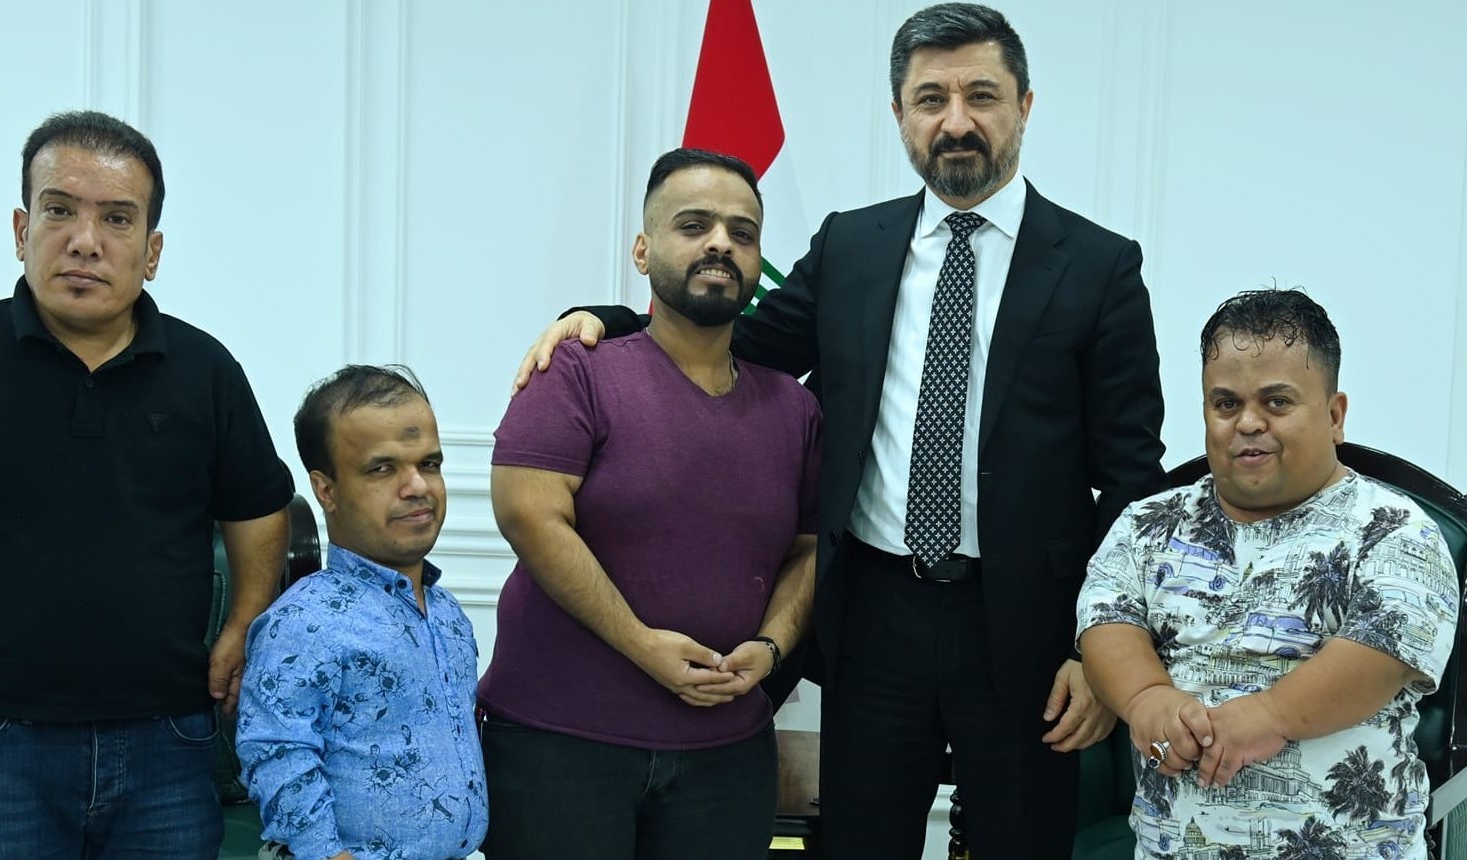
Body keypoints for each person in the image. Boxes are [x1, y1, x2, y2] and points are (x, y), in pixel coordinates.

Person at [512, 4, 1166, 856]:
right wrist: (606, 320)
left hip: (1028, 631)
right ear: (899, 115)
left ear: (1024, 106)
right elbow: (733, 342)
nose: (955, 121)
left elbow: (1131, 480)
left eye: (980, 95)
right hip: (872, 619)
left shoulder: (1099, 265)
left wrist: (1101, 648)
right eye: (929, 99)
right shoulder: (852, 245)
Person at [0, 110, 294, 857]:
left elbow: (259, 514)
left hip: (168, 739)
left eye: (117, 219)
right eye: (59, 211)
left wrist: (244, 625)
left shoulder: (206, 372)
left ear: (151, 251)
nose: (86, 241)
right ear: (22, 231)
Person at [478, 148, 821, 860]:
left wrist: (770, 648)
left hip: (726, 755)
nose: (720, 243)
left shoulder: (794, 407)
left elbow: (810, 549)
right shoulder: (575, 370)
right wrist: (643, 646)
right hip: (560, 744)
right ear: (642, 250)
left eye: (742, 233)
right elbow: (527, 515)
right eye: (693, 225)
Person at [1078, 289, 1458, 859]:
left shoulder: (1394, 531)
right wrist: (1146, 698)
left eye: (1277, 402)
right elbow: (1107, 621)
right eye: (1225, 404)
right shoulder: (1147, 524)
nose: (1248, 423)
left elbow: (1380, 654)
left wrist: (1271, 715)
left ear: (1334, 416)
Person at [237, 365, 487, 860]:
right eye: (382, 469)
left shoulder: (447, 613)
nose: (417, 486)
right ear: (325, 490)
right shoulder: (303, 622)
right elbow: (276, 753)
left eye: (429, 464)